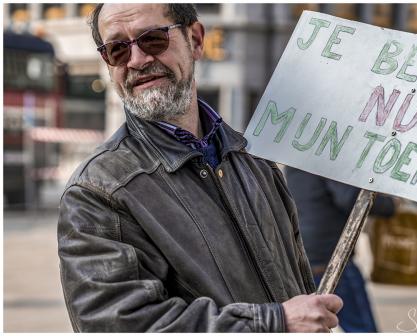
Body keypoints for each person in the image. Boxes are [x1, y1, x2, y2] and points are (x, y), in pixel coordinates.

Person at [57, 4, 343, 332]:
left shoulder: (253, 161)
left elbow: (297, 287)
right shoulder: (97, 191)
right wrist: (273, 322)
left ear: (195, 39)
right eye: (117, 49)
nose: (136, 60)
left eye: (152, 39)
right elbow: (120, 325)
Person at [285, 167, 395, 332]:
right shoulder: (329, 159)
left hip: (304, 256)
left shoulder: (296, 159)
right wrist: (390, 205)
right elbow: (351, 198)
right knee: (362, 329)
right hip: (331, 260)